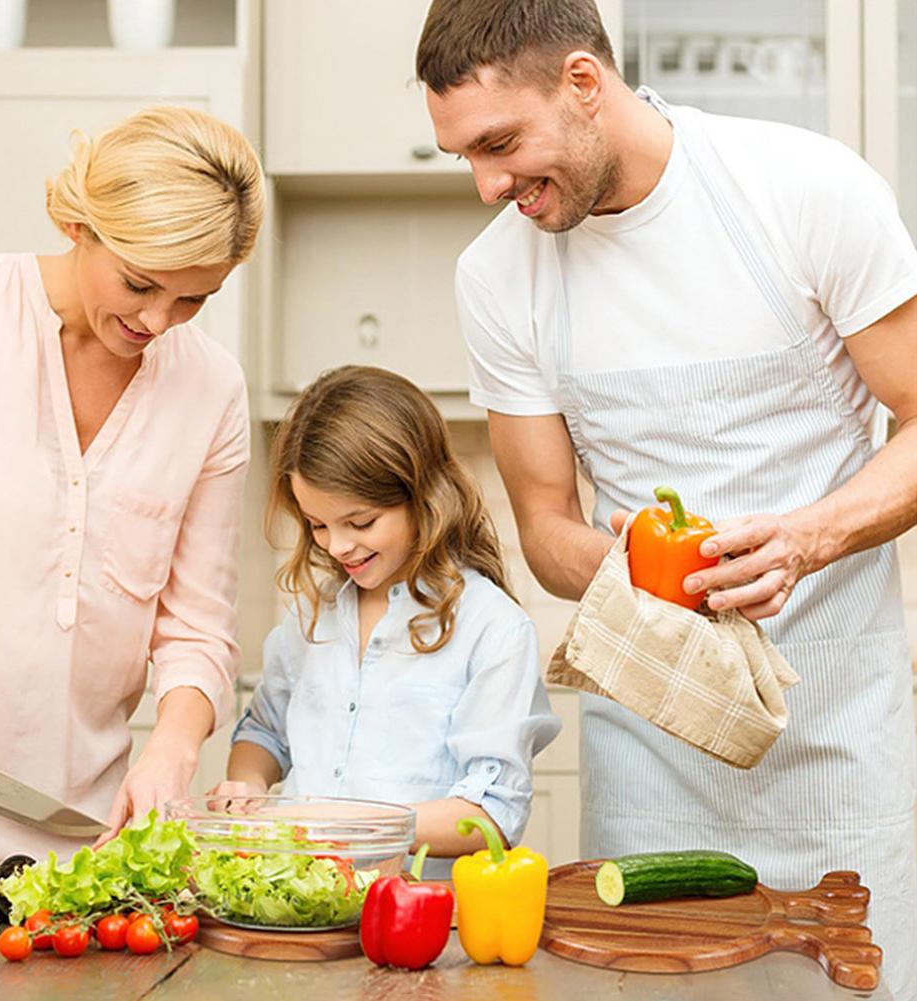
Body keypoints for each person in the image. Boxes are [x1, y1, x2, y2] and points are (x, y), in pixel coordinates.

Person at [416, 1, 917, 996]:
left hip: (837, 727)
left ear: (583, 83)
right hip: (651, 751)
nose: (486, 185)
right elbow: (546, 526)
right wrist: (629, 562)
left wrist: (804, 538)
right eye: (464, 156)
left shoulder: (801, 189)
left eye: (501, 144)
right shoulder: (496, 279)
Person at [0, 105, 264, 888]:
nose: (156, 320)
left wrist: (172, 752)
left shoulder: (210, 391)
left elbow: (198, 627)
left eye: (192, 299)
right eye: (139, 283)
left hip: (80, 838)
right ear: (77, 223)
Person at [214, 366, 560, 872]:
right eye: (317, 526)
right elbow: (264, 733)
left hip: (424, 919)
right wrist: (247, 783)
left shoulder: (493, 629)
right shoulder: (312, 617)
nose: (337, 545)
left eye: (360, 522)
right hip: (303, 900)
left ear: (423, 497)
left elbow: (492, 816)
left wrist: (348, 823)